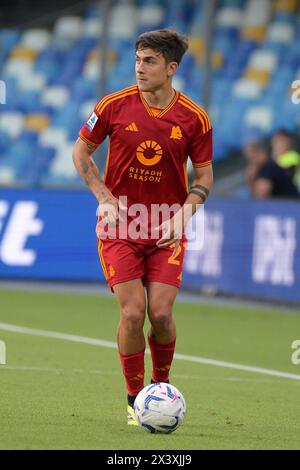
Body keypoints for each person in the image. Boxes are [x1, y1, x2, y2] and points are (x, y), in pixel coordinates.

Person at [72, 29, 213, 425]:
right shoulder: (113, 105)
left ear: (171, 69)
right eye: (137, 59)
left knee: (162, 315)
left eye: (149, 61)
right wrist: (103, 197)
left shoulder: (195, 118)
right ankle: (136, 401)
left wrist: (185, 213)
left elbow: (204, 175)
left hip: (168, 226)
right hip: (121, 225)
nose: (139, 68)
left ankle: (161, 388)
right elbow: (81, 150)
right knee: (134, 314)